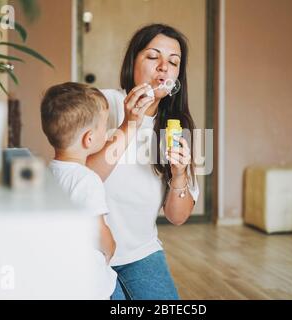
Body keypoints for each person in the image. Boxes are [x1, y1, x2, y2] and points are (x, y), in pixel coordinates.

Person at [87, 24, 199, 300]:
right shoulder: (102, 103)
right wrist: (130, 125)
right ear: (132, 62)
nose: (164, 67)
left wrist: (179, 174)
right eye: (153, 57)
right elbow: (83, 177)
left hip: (141, 253)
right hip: (90, 251)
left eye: (173, 62)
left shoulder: (178, 128)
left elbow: (178, 216)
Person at [40, 82, 120, 299]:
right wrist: (111, 246)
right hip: (92, 281)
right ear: (89, 139)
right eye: (105, 125)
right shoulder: (87, 180)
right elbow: (98, 230)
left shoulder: (48, 173)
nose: (107, 130)